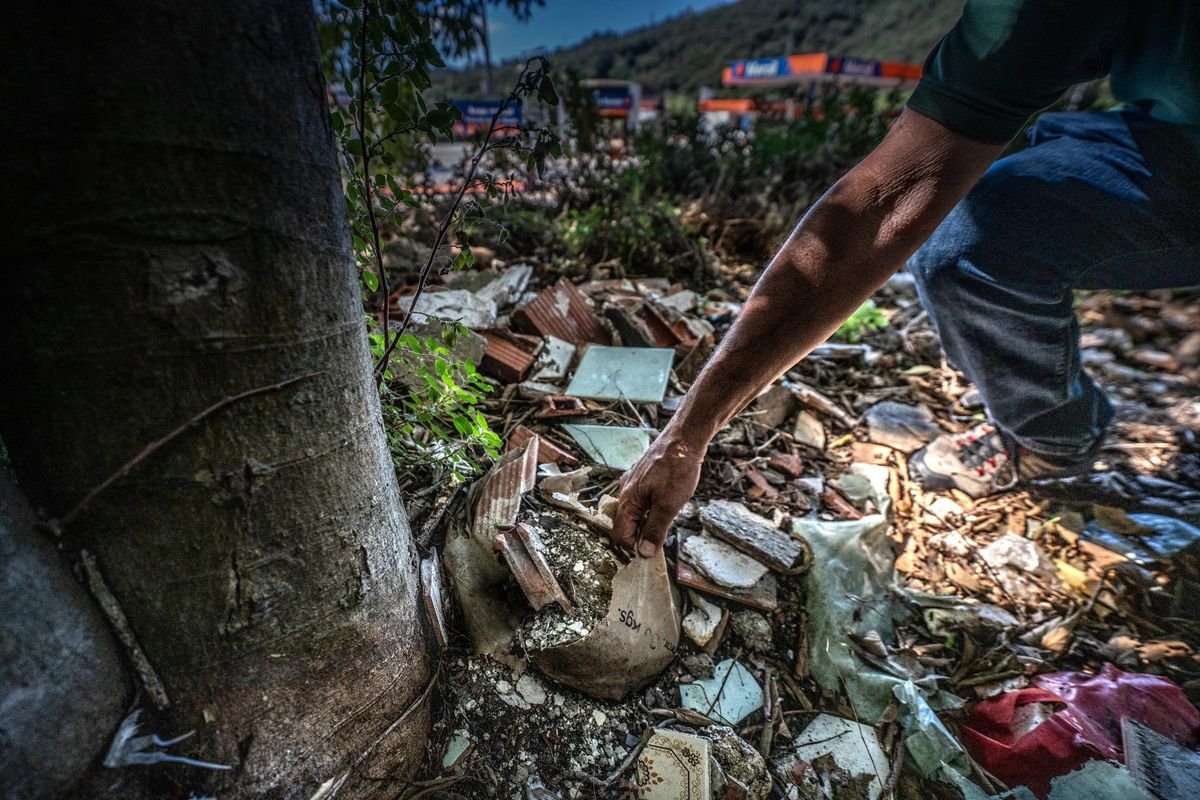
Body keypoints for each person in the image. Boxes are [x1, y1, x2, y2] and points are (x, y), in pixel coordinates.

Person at [611, 0, 1200, 557]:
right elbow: (886, 200)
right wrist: (689, 432)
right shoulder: (1030, 14)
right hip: (1159, 132)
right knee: (969, 247)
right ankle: (1052, 441)